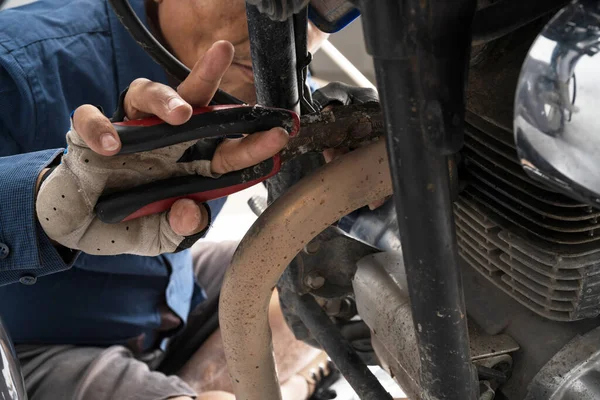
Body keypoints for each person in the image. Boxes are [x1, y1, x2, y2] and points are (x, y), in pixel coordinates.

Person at [0, 0, 336, 399]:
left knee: (319, 273)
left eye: (329, 5)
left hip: (160, 304)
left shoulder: (268, 72)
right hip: (29, 350)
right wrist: (39, 199)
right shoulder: (16, 64)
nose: (296, 33)